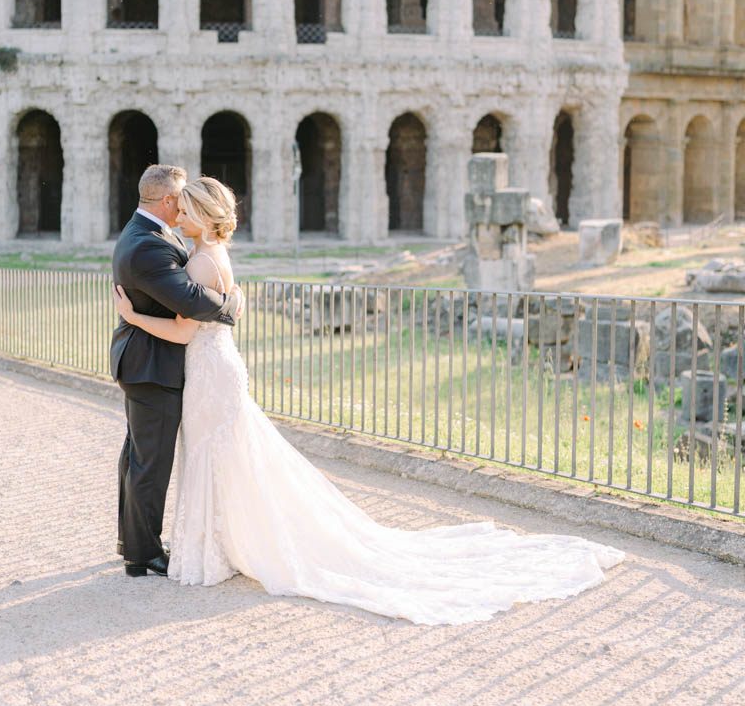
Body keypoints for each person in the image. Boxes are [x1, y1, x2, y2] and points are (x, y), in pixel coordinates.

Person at [113, 176, 624, 624]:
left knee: (217, 458)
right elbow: (217, 310)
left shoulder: (201, 261)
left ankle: (217, 547)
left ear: (201, 215)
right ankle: (219, 544)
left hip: (207, 370)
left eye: (185, 207)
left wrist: (133, 319)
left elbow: (183, 333)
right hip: (215, 370)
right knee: (225, 459)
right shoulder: (210, 255)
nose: (178, 213)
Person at [111, 164, 242, 578]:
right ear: (168, 201)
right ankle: (142, 551)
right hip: (153, 364)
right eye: (180, 200)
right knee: (149, 462)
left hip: (158, 361)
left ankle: (134, 543)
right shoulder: (147, 244)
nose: (182, 208)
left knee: (141, 458)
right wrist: (232, 304)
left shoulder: (148, 233)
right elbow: (191, 301)